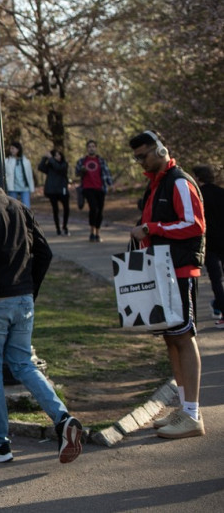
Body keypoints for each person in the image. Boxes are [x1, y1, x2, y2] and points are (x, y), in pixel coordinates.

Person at [0, 153, 82, 464]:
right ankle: (63, 418)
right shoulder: (18, 206)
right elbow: (45, 253)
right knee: (24, 364)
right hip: (22, 299)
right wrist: (29, 290)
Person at [129, 131, 207, 438]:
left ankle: (192, 415)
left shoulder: (178, 182)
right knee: (171, 338)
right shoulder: (157, 183)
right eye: (137, 157)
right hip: (163, 269)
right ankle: (185, 408)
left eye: (144, 155)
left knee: (183, 337)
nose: (141, 162)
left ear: (161, 150)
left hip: (180, 269)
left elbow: (194, 225)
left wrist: (151, 228)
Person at [192, 166, 224, 329]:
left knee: (216, 279)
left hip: (209, 243)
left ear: (198, 178)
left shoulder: (197, 196)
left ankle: (220, 307)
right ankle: (218, 304)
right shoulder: (221, 192)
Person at [75, 139, 114, 243]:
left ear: (96, 148)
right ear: (87, 149)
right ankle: (92, 232)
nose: (91, 148)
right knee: (93, 208)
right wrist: (82, 170)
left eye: (93, 146)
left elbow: (107, 173)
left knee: (100, 211)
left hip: (100, 188)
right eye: (89, 147)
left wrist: (111, 184)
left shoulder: (101, 161)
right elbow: (77, 173)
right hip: (87, 188)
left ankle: (97, 233)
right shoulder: (82, 161)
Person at [37, 147, 70, 235]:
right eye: (55, 156)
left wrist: (51, 158)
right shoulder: (50, 165)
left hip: (62, 190)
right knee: (55, 210)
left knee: (66, 208)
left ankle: (65, 226)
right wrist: (45, 158)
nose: (58, 157)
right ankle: (58, 228)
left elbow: (58, 168)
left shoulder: (64, 164)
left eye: (59, 155)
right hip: (52, 191)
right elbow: (40, 167)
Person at [3, 142, 34, 208]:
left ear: (18, 149)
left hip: (25, 187)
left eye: (13, 148)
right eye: (10, 148)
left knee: (26, 206)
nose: (11, 150)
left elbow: (29, 176)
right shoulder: (7, 161)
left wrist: (31, 188)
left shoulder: (26, 161)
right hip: (12, 188)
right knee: (12, 207)